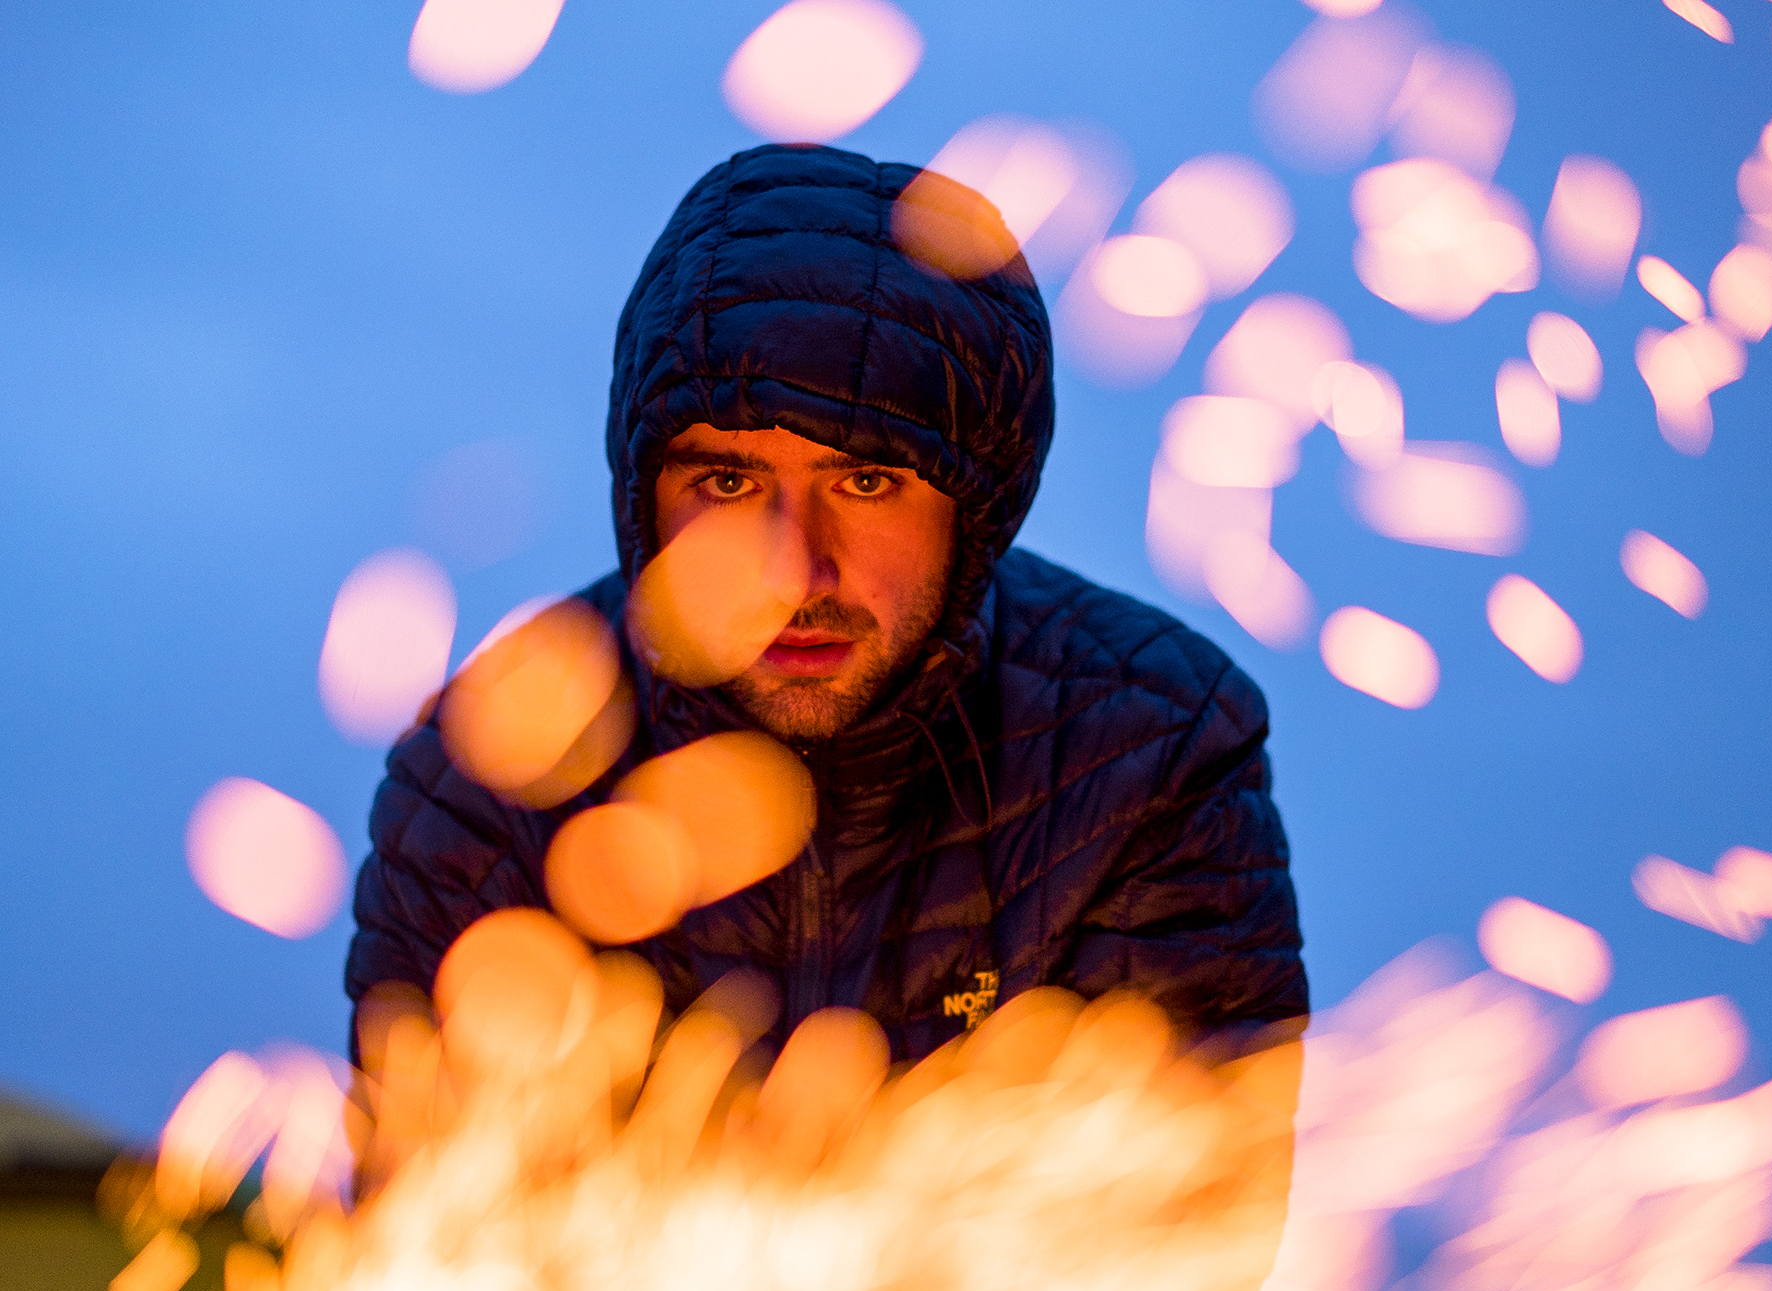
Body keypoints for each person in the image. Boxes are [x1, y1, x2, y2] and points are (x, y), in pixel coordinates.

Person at [346, 143, 1307, 1065]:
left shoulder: (1153, 755)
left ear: (978, 503)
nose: (792, 575)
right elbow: (442, 1211)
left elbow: (1174, 1218)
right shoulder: (488, 779)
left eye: (867, 483)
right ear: (644, 500)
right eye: (726, 484)